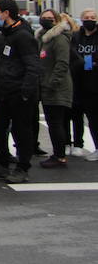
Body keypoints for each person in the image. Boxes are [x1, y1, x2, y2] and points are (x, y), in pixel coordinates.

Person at [0, 0, 41, 184]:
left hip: (20, 92)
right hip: (4, 92)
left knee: (21, 130)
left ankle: (22, 167)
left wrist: (26, 92)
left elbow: (33, 66)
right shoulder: (5, 34)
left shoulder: (23, 35)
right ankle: (2, 163)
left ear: (6, 13)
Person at [36, 10, 75, 169]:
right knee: (53, 123)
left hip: (57, 87)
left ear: (56, 20)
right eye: (44, 18)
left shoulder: (59, 39)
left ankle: (60, 156)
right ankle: (58, 153)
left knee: (56, 122)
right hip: (46, 85)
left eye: (50, 19)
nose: (46, 20)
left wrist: (52, 83)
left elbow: (62, 64)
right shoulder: (43, 38)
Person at [72, 9, 98, 159]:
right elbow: (73, 54)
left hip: (94, 84)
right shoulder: (76, 36)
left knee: (94, 119)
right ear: (81, 20)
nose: (90, 20)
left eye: (93, 17)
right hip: (78, 82)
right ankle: (77, 144)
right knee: (76, 116)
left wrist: (90, 63)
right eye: (87, 17)